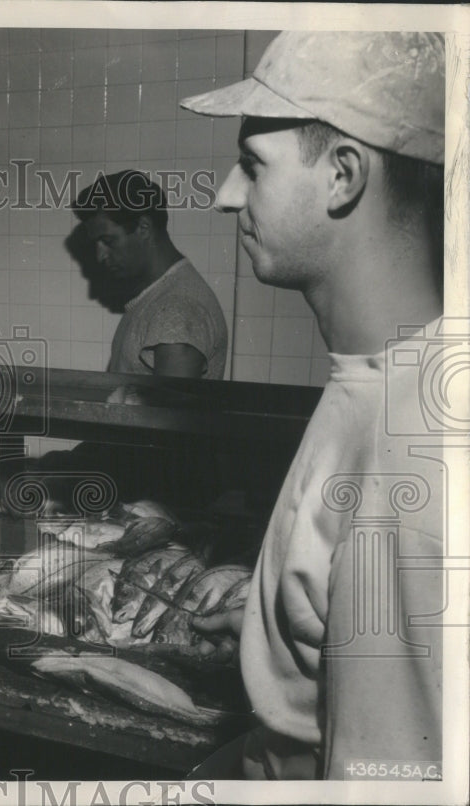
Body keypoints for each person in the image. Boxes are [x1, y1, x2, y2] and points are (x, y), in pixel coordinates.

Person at [180, 31, 446, 779]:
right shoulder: (380, 380)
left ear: (342, 176)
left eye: (253, 165)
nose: (227, 194)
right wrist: (282, 634)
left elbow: (390, 784)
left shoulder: (414, 441)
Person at [71, 170, 228, 382]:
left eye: (108, 241)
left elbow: (172, 414)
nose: (100, 256)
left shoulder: (177, 308)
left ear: (144, 227)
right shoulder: (158, 296)